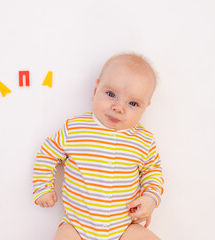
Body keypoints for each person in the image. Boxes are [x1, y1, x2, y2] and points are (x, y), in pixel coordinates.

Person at [32, 53, 164, 240]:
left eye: (133, 103)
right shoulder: (76, 129)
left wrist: (151, 198)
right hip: (76, 226)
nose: (119, 107)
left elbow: (153, 171)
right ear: (96, 89)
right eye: (111, 94)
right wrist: (43, 188)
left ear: (146, 107)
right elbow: (47, 154)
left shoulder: (143, 140)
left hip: (124, 228)